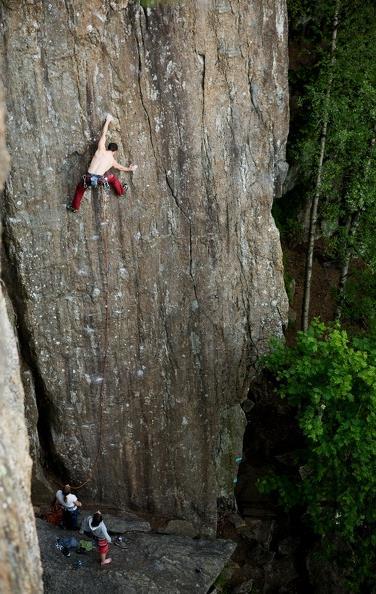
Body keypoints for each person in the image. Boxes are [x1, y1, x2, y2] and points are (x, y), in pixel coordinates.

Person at [68, 114, 138, 212]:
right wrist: (130, 169)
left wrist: (108, 120)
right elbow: (121, 168)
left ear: (108, 147)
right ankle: (121, 192)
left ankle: (75, 207)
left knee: (80, 189)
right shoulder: (112, 161)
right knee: (112, 178)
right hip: (100, 180)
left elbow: (104, 133)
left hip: (87, 178)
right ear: (115, 151)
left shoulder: (100, 149)